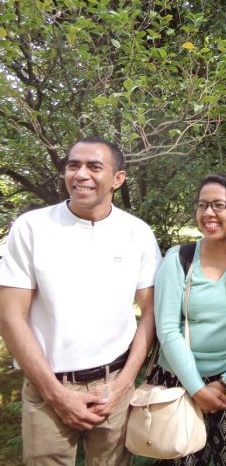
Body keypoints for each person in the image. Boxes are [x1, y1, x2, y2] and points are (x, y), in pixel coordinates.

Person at [0, 137, 161, 465]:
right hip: (49, 387)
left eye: (94, 166)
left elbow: (150, 314)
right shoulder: (32, 228)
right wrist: (55, 394)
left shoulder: (137, 234)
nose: (80, 174)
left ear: (118, 179)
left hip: (114, 387)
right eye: (73, 165)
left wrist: (123, 384)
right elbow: (9, 317)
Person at [151, 172, 226, 466]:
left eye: (219, 205)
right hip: (178, 385)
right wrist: (196, 388)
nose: (208, 213)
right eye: (202, 205)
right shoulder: (178, 259)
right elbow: (167, 329)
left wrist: (225, 383)